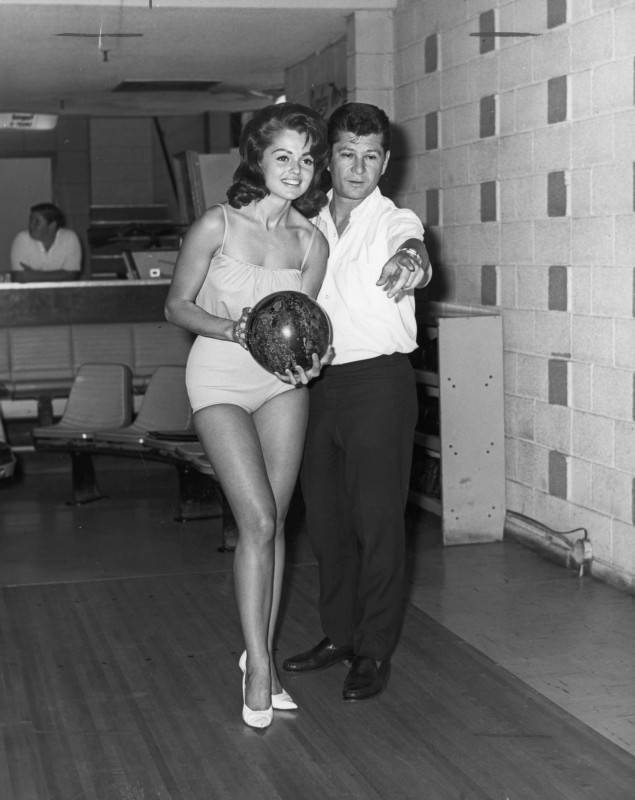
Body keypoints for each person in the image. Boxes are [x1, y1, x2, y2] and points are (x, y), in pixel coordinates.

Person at [164, 103, 330, 730]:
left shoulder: (311, 241)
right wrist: (234, 328)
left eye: (307, 158)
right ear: (258, 160)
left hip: (282, 383)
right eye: (283, 156)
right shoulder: (218, 224)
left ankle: (257, 655)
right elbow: (177, 306)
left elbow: (301, 324)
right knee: (255, 517)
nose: (297, 169)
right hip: (219, 374)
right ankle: (258, 667)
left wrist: (313, 360)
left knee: (276, 522)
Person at [283, 102, 432, 701]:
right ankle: (338, 634)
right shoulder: (304, 223)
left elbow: (413, 251)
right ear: (330, 156)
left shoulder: (397, 220)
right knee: (326, 522)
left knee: (377, 524)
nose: (359, 167)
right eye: (347, 152)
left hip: (379, 386)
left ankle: (372, 652)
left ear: (386, 162)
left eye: (371, 156)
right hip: (315, 386)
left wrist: (411, 262)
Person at [10, 202, 82, 282]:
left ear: (52, 225)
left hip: (62, 293)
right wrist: (61, 275)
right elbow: (19, 277)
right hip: (30, 294)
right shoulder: (22, 239)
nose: (31, 225)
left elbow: (72, 276)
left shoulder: (70, 238)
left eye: (37, 222)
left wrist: (32, 274)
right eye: (31, 220)